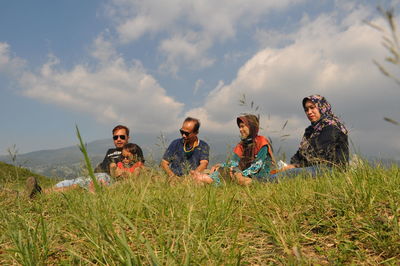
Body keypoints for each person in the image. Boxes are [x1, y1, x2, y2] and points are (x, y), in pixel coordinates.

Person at [25, 125, 144, 198]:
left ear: (128, 138)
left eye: (122, 137)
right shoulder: (110, 151)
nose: (118, 139)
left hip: (105, 180)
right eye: (115, 137)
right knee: (67, 182)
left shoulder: (133, 150)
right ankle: (35, 192)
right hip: (96, 176)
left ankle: (40, 194)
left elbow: (136, 171)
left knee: (77, 186)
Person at [275, 94, 349, 177]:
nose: (309, 112)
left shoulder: (332, 126)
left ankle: (262, 181)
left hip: (331, 170)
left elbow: (318, 155)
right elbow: (300, 154)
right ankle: (261, 180)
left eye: (312, 107)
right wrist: (291, 165)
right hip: (311, 168)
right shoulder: (310, 130)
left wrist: (294, 166)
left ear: (321, 107)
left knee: (287, 174)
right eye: (306, 109)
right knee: (278, 173)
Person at [193, 114, 275, 186]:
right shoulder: (241, 145)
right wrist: (221, 166)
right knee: (223, 171)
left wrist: (241, 174)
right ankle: (208, 179)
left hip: (262, 177)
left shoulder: (262, 142)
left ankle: (207, 180)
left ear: (252, 127)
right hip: (245, 176)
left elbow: (257, 166)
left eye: (242, 126)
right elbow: (233, 163)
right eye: (239, 127)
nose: (240, 129)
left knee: (242, 180)